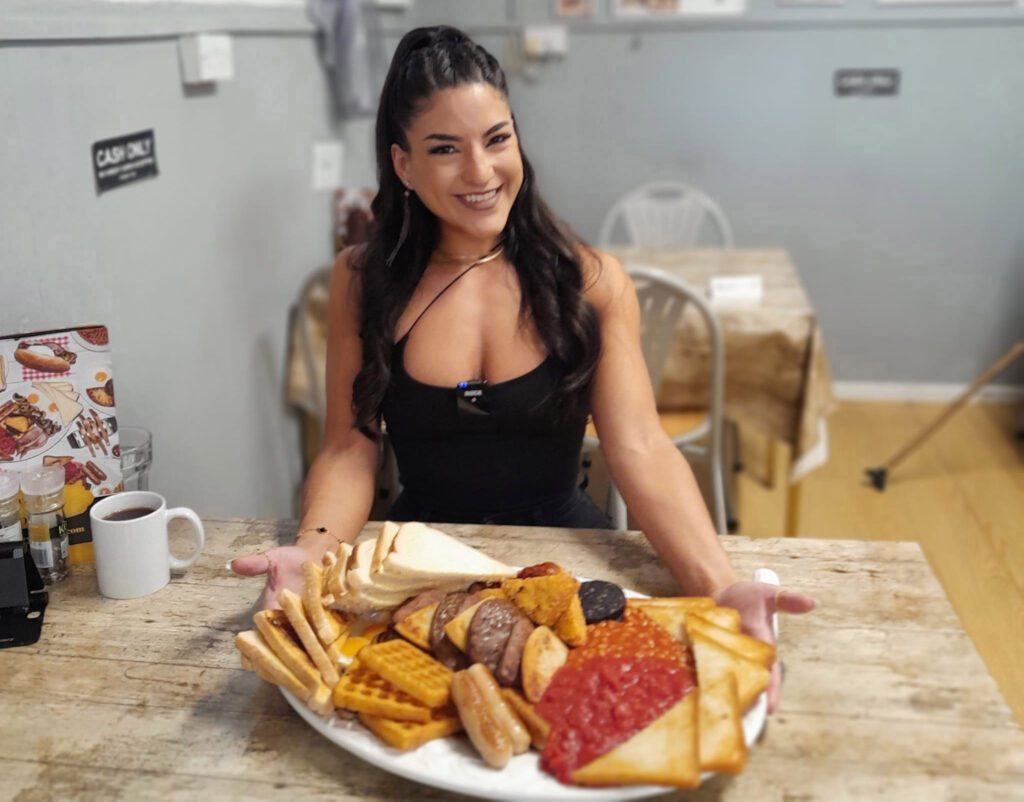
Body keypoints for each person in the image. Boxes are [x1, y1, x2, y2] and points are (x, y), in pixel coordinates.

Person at [232, 25, 814, 712]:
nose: (480, 173)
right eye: (444, 149)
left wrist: (720, 584)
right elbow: (347, 446)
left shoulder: (591, 281)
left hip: (567, 558)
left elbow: (640, 447)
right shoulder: (362, 280)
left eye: (497, 139)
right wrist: (312, 550)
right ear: (403, 165)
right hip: (415, 571)